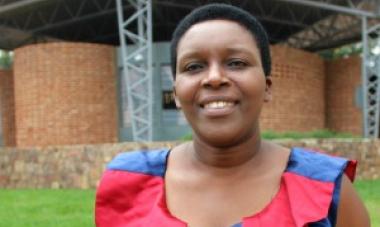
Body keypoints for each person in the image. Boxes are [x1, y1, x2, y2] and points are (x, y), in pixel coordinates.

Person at [95, 3, 370, 227]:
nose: (214, 78)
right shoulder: (128, 184)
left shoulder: (326, 191)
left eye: (236, 63)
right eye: (194, 66)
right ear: (176, 93)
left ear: (267, 87)